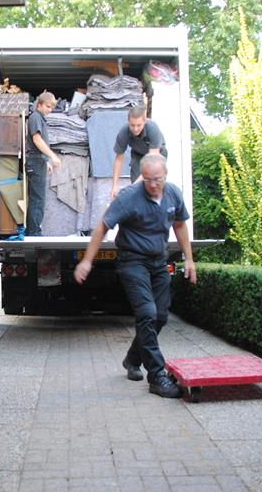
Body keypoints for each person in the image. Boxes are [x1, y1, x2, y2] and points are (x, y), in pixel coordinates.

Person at [75, 153, 196, 398]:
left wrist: (189, 258)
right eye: (148, 179)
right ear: (142, 177)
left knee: (160, 316)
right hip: (133, 261)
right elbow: (102, 226)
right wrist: (87, 260)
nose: (153, 184)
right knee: (147, 313)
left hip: (158, 261)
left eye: (158, 179)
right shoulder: (129, 197)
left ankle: (132, 358)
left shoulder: (172, 194)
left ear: (166, 175)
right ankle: (157, 376)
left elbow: (180, 225)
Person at [110, 105, 168, 199]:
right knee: (137, 191)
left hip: (157, 156)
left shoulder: (152, 128)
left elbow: (151, 165)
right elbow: (118, 160)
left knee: (152, 183)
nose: (135, 129)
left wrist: (133, 186)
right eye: (132, 125)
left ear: (144, 121)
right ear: (128, 122)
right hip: (138, 154)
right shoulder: (123, 133)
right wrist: (114, 186)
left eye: (139, 125)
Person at [24, 91, 61, 236]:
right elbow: (37, 140)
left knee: (38, 198)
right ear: (39, 104)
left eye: (52, 107)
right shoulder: (35, 117)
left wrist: (46, 161)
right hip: (35, 162)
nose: (50, 110)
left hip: (38, 161)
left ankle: (32, 231)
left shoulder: (39, 118)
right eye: (47, 106)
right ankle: (34, 233)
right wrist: (52, 156)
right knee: (37, 199)